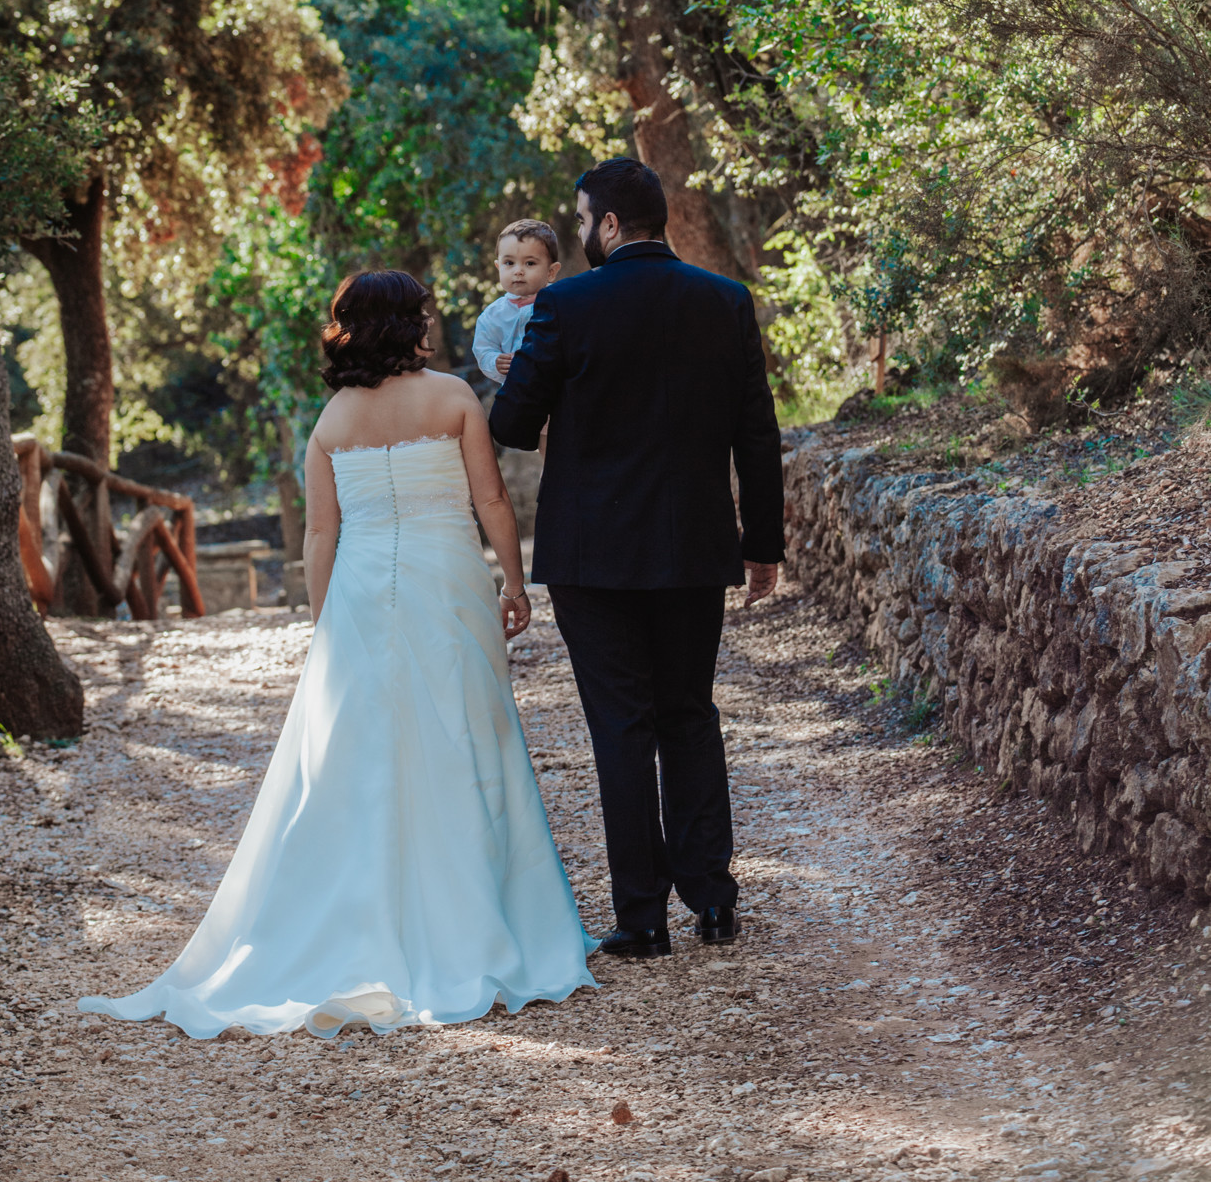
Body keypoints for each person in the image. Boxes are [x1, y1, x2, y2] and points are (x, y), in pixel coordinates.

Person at [79, 269, 597, 1039]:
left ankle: (356, 915)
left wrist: (325, 624)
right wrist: (514, 584)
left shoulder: (331, 419)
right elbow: (491, 500)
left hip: (359, 588)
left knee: (361, 749)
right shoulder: (454, 398)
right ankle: (479, 922)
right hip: (447, 580)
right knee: (464, 733)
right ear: (411, 324)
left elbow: (322, 534)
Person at [490, 157, 784, 959]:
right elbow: (755, 434)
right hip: (693, 545)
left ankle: (642, 917)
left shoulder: (564, 303)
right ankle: (714, 904)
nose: (580, 232)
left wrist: (514, 377)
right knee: (689, 713)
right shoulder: (722, 302)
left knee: (620, 727)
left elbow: (512, 426)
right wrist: (763, 545)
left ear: (608, 225)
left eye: (583, 220)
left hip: (591, 555)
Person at [472, 219, 561, 385]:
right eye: (509, 263)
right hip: (516, 392)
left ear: (551, 271)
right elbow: (483, 350)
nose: (518, 271)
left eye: (530, 263)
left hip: (560, 390)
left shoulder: (561, 304)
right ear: (498, 267)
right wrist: (495, 362)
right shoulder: (492, 316)